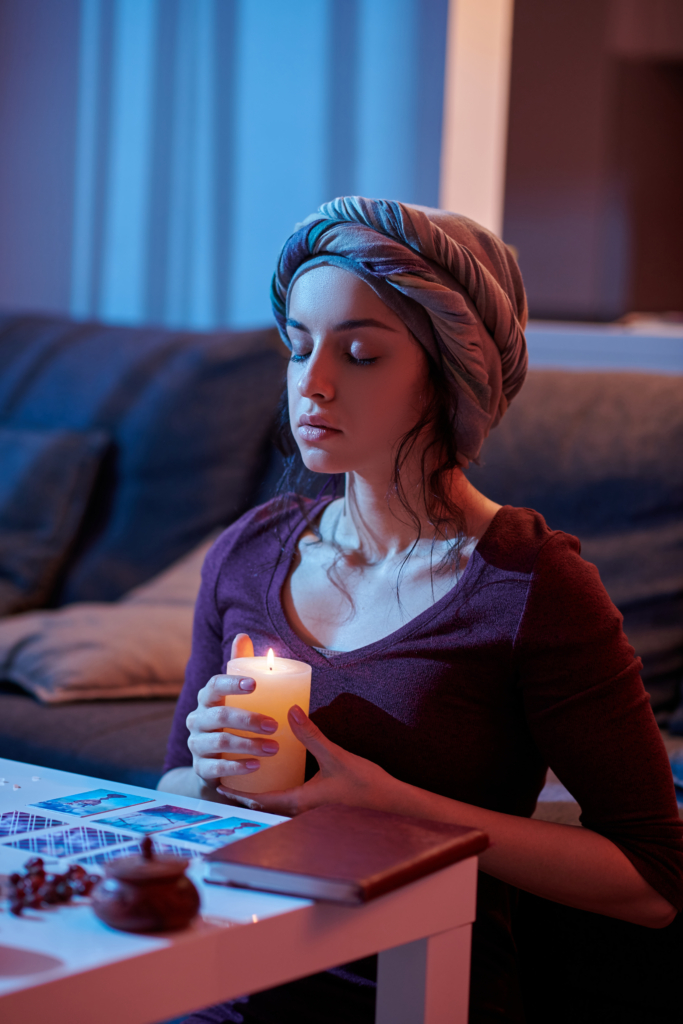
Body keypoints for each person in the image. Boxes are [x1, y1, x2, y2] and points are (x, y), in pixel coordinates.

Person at [158, 198, 683, 1023]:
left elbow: (653, 881)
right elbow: (176, 791)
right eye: (297, 348)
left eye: (360, 353)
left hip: (404, 990)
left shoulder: (531, 585)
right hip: (224, 977)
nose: (313, 382)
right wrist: (199, 767)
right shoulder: (249, 551)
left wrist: (395, 806)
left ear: (450, 375)